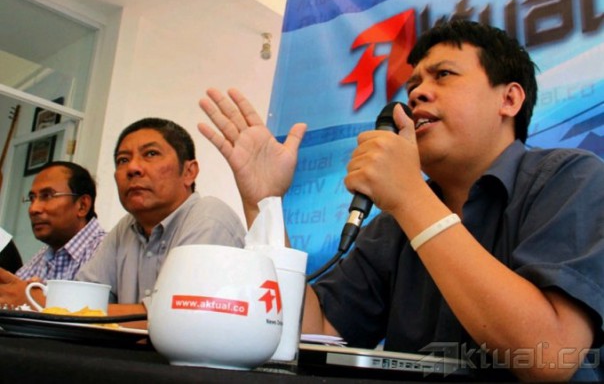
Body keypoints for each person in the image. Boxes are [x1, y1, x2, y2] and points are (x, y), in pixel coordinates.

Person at [197, 20, 604, 381]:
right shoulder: (391, 227)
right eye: (413, 86)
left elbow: (549, 355)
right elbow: (315, 333)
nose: (418, 93)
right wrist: (266, 202)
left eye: (443, 75)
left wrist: (410, 196)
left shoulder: (570, 178)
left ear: (509, 100)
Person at [76, 117, 246, 312]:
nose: (132, 168)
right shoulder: (126, 228)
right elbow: (81, 297)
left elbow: (175, 316)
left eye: (151, 154)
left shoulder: (209, 217)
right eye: (123, 160)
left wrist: (80, 311)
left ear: (189, 172)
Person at [0, 161, 105, 306]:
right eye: (32, 198)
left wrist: (39, 300)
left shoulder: (108, 252)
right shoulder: (40, 259)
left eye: (47, 196)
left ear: (82, 205)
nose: (33, 209)